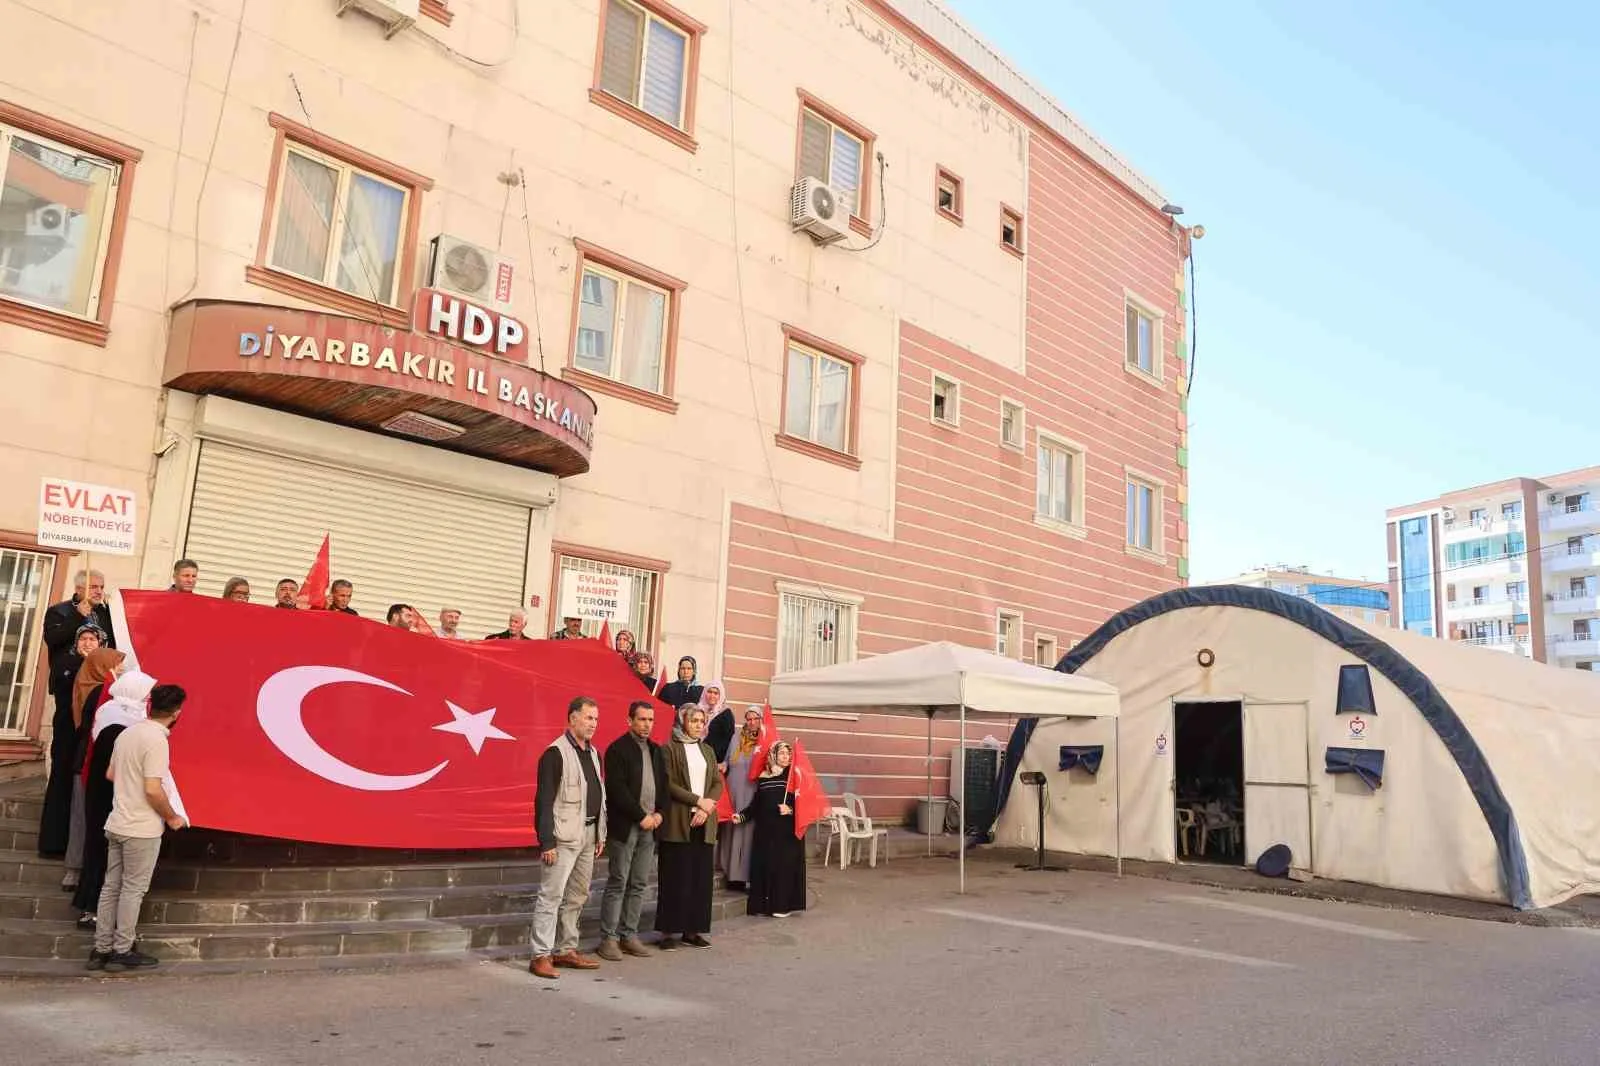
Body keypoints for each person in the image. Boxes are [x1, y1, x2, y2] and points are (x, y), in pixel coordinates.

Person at [88, 682, 188, 973]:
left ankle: (101, 948)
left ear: (149, 705)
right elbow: (153, 789)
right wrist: (172, 817)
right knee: (133, 890)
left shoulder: (127, 734)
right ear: (177, 713)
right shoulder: (157, 740)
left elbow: (110, 773)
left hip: (117, 820)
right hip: (141, 827)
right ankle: (122, 948)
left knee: (110, 887)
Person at [73, 670, 157, 933]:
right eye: (145, 693)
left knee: (97, 846)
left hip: (99, 786)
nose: (147, 699)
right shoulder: (127, 719)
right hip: (114, 789)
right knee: (105, 851)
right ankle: (96, 910)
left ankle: (90, 905)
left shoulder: (109, 710)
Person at [529, 697, 606, 980]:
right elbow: (544, 800)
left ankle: (566, 949)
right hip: (562, 838)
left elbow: (599, 796)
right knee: (551, 896)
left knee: (577, 896)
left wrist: (600, 833)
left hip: (588, 834)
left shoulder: (595, 753)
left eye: (596, 719)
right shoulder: (555, 753)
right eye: (588, 718)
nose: (593, 724)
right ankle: (540, 955)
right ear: (572, 719)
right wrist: (546, 841)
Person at [597, 700, 666, 962]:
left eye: (650, 720)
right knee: (618, 881)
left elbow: (664, 787)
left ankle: (629, 935)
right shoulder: (617, 750)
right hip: (626, 828)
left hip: (651, 828)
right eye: (642, 719)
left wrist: (659, 813)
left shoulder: (657, 751)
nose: (647, 725)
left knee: (638, 883)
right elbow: (617, 791)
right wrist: (641, 817)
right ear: (629, 721)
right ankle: (609, 939)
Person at [62, 646, 126, 908]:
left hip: (91, 762)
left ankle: (77, 871)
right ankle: (75, 870)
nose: (120, 668)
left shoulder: (96, 687)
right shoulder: (99, 692)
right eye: (117, 664)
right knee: (82, 820)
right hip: (88, 763)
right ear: (103, 665)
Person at [656, 704, 722, 950]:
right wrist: (697, 801)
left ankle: (692, 931)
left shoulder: (708, 750)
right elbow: (669, 784)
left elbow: (717, 781)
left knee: (699, 879)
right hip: (678, 821)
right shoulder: (669, 749)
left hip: (704, 822)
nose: (698, 724)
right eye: (693, 720)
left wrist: (706, 808)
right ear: (682, 721)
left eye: (701, 721)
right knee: (675, 877)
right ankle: (667, 932)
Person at [37, 623, 104, 859]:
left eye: (92, 639)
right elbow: (59, 690)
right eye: (83, 639)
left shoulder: (106, 667)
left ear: (101, 643)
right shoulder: (65, 663)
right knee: (61, 783)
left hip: (89, 738)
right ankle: (54, 842)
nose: (87, 643)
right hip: (67, 733)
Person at [737, 741, 807, 918]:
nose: (786, 757)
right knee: (764, 866)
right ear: (773, 755)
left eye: (788, 754)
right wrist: (742, 816)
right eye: (782, 753)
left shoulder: (794, 777)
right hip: (765, 832)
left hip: (787, 833)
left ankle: (782, 906)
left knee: (783, 869)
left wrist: (790, 810)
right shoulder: (764, 777)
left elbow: (805, 805)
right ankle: (763, 906)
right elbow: (756, 805)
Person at [718, 705, 764, 890]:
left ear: (761, 720)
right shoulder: (736, 737)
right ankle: (730, 873)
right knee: (731, 830)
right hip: (733, 789)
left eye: (756, 719)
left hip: (752, 791)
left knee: (747, 832)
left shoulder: (764, 740)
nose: (752, 722)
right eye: (749, 718)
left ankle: (744, 875)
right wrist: (722, 765)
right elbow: (728, 760)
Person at [43, 571, 116, 686]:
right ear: (78, 589)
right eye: (93, 587)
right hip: (69, 680)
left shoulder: (105, 612)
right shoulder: (59, 610)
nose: (99, 592)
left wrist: (113, 609)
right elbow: (53, 639)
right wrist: (77, 616)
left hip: (99, 679)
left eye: (101, 587)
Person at [700, 681, 734, 768]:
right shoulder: (698, 709)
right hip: (697, 755)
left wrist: (723, 761)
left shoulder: (725, 713)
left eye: (716, 693)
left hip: (715, 760)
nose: (712, 695)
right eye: (709, 692)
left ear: (720, 696)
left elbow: (729, 739)